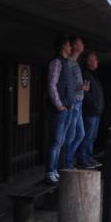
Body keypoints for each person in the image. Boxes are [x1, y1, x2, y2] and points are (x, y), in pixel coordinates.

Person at [45, 34, 74, 184]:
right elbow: (51, 85)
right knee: (56, 141)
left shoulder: (66, 63)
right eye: (69, 45)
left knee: (60, 141)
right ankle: (50, 171)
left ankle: (54, 170)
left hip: (67, 107)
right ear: (63, 46)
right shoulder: (57, 62)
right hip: (60, 109)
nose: (71, 48)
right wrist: (59, 105)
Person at [63, 36, 90, 169]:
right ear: (74, 46)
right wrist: (80, 87)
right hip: (73, 103)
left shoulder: (75, 63)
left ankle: (67, 161)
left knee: (80, 134)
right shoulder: (68, 63)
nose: (83, 45)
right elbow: (65, 84)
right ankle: (66, 164)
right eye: (81, 43)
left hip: (79, 102)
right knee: (72, 135)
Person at [78, 51, 104, 169]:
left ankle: (88, 157)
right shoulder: (85, 74)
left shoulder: (93, 74)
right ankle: (82, 158)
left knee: (92, 137)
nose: (97, 61)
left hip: (96, 111)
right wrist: (93, 104)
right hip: (90, 111)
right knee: (87, 136)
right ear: (89, 62)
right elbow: (85, 93)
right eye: (95, 59)